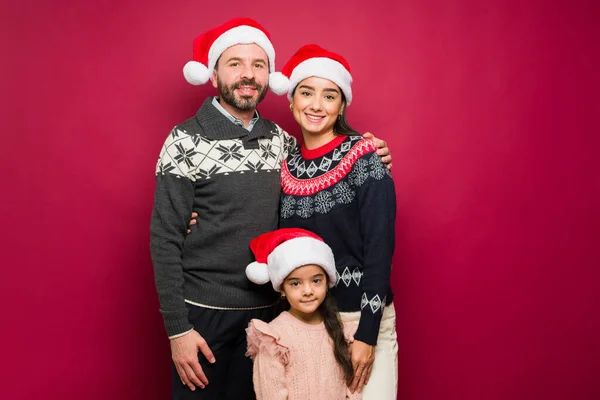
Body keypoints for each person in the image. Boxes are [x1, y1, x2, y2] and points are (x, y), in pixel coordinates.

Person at [150, 18, 391, 399]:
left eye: (258, 65)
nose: (248, 75)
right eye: (235, 63)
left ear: (269, 76)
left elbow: (325, 166)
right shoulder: (183, 141)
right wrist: (178, 330)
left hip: (274, 313)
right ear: (213, 74)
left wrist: (369, 152)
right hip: (204, 315)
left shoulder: (282, 142)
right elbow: (164, 238)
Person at [276, 44, 399, 398]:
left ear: (342, 104)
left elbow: (380, 248)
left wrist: (367, 333)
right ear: (292, 101)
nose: (316, 105)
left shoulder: (365, 158)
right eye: (306, 92)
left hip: (360, 318)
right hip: (308, 324)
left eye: (329, 95)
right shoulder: (285, 165)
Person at [244, 228, 360, 399]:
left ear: (327, 281)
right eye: (295, 283)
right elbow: (271, 394)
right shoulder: (274, 338)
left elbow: (352, 389)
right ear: (282, 288)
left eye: (316, 280)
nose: (307, 291)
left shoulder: (340, 330)